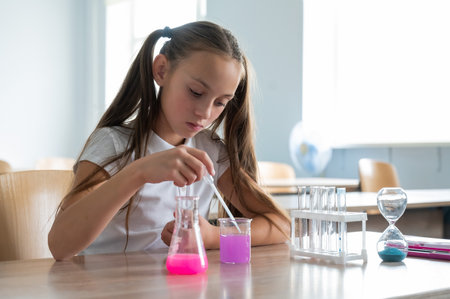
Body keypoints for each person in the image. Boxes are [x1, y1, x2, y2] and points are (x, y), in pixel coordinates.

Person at [48, 21, 290, 260]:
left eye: (220, 103)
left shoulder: (211, 151)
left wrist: (212, 236)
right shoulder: (113, 144)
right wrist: (139, 172)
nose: (205, 113)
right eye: (196, 92)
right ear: (162, 70)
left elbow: (281, 225)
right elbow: (59, 245)